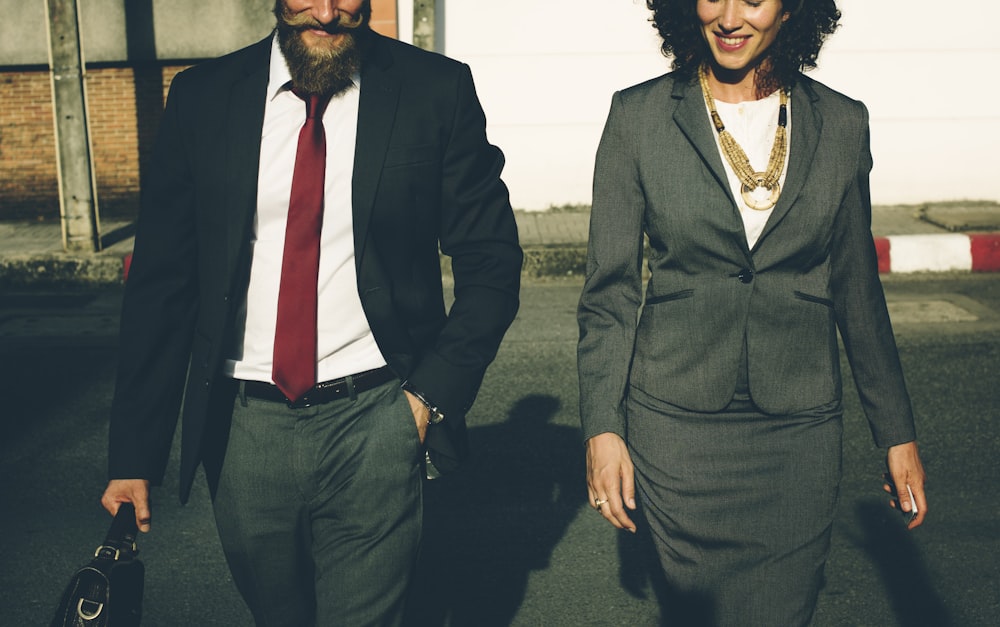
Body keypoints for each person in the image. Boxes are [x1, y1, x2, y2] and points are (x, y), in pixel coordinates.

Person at [100, 0, 522, 624]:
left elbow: (491, 261)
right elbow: (164, 285)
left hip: (378, 416)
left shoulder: (435, 90)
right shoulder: (202, 97)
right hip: (244, 428)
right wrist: (133, 457)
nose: (326, 11)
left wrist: (428, 399)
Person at [577, 0, 927, 624]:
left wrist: (896, 433)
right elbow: (610, 293)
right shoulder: (638, 116)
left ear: (792, 11)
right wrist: (603, 428)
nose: (731, 16)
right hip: (676, 427)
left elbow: (856, 288)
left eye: (755, 0)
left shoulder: (842, 123)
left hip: (797, 434)